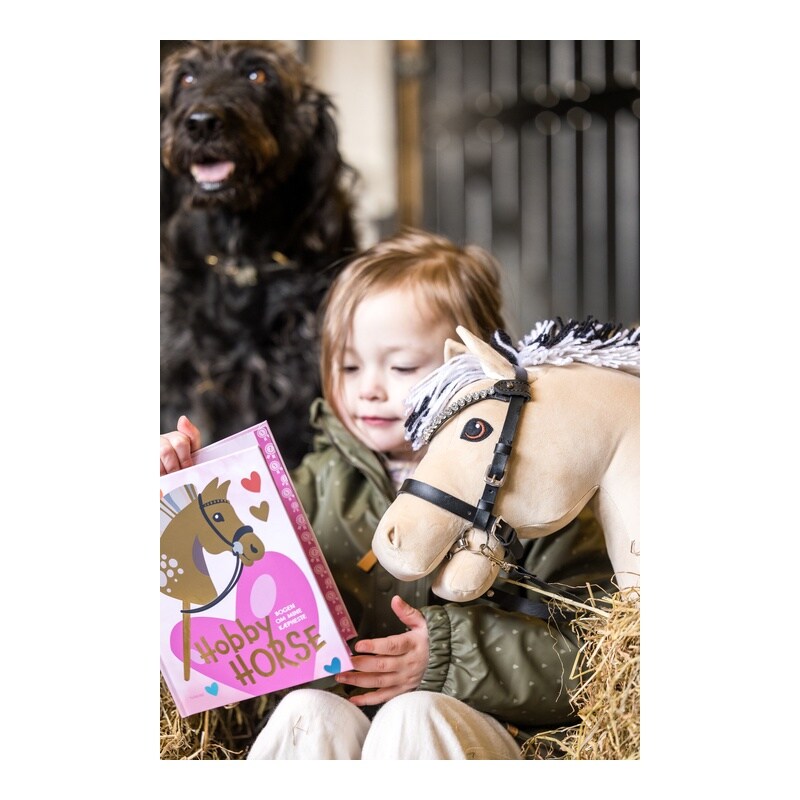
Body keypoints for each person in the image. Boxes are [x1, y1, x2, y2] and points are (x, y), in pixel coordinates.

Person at [160, 228, 614, 759]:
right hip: (342, 734)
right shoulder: (304, 488)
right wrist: (180, 485)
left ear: (474, 365)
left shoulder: (536, 492)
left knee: (413, 714)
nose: (368, 387)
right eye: (349, 365)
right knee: (309, 712)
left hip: (477, 733)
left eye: (400, 367)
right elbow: (226, 609)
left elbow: (595, 664)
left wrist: (447, 656)